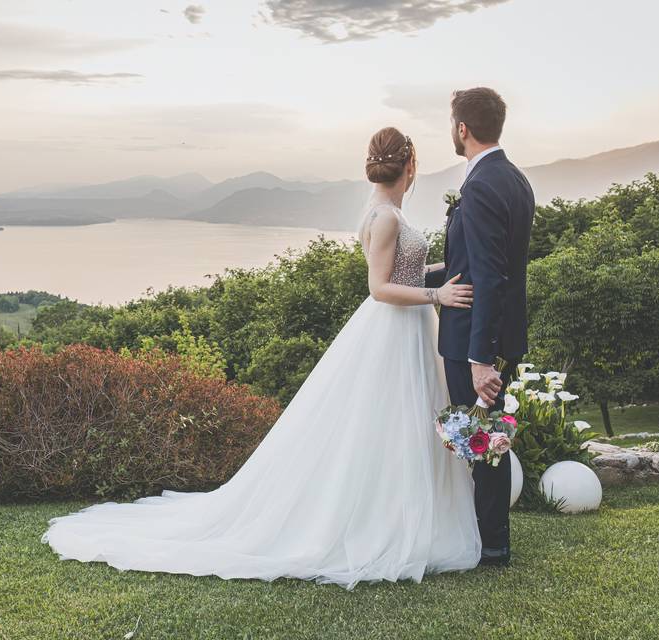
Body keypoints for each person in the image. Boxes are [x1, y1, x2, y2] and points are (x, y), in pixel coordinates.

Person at [40, 126, 481, 590]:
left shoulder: (381, 210)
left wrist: (446, 276)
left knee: (397, 427)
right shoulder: (387, 216)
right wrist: (438, 294)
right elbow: (379, 289)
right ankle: (382, 522)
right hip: (393, 330)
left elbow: (401, 272)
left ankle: (399, 514)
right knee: (389, 426)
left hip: (406, 330)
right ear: (410, 166)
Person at [426, 87, 535, 566]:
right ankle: (488, 535)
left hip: (474, 339)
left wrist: (479, 360)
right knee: (484, 437)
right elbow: (477, 264)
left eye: (452, 124)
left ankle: (491, 544)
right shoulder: (514, 178)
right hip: (495, 334)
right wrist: (426, 277)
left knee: (480, 441)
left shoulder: (483, 185)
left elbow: (490, 278)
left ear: (462, 128)